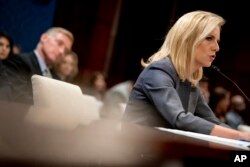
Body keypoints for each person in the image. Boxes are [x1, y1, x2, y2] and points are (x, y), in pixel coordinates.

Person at [122, 10, 250, 141]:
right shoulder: (158, 71)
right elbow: (179, 119)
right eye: (209, 38)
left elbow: (212, 121)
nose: (217, 47)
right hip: (134, 153)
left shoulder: (190, 80)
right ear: (188, 39)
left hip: (164, 151)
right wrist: (240, 135)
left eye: (217, 41)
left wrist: (244, 138)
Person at [0, 27, 74, 104]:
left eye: (66, 51)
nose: (62, 52)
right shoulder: (18, 62)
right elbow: (18, 100)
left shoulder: (57, 79)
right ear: (44, 38)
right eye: (59, 43)